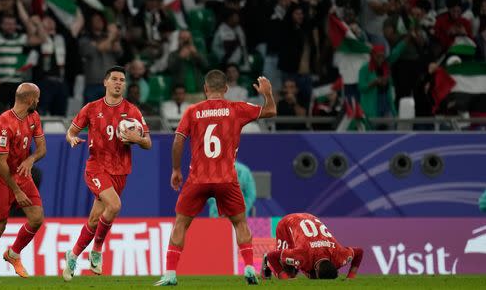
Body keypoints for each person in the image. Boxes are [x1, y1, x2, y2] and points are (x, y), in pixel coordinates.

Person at [155, 71, 276, 286]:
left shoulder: (192, 111)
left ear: (205, 89)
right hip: (226, 179)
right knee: (240, 223)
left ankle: (171, 274)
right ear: (226, 89)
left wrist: (176, 170)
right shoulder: (236, 109)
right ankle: (249, 267)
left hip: (198, 179)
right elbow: (271, 111)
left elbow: (178, 141)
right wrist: (267, 94)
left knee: (181, 223)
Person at [63, 66, 152, 281]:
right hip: (97, 167)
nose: (118, 83)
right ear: (105, 82)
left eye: (122, 80)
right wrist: (72, 139)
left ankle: (73, 254)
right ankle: (97, 250)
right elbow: (71, 131)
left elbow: (147, 143)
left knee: (95, 220)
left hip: (121, 170)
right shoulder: (91, 108)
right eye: (114, 79)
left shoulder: (132, 111)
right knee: (115, 206)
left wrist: (136, 139)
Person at [0, 83, 46, 282]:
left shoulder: (34, 117)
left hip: (22, 173)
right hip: (0, 176)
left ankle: (13, 254)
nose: (39, 102)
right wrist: (16, 191)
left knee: (36, 217)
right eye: (38, 98)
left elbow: (42, 149)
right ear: (30, 99)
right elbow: (1, 164)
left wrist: (30, 159)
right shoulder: (3, 123)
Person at [262, 213, 364, 280]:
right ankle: (266, 262)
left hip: (310, 218)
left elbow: (359, 252)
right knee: (289, 273)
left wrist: (351, 276)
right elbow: (272, 256)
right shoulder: (303, 256)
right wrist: (284, 277)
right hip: (287, 224)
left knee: (305, 271)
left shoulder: (340, 256)